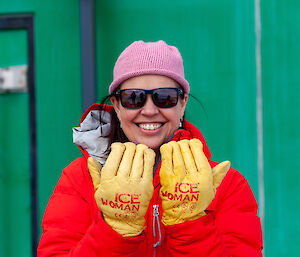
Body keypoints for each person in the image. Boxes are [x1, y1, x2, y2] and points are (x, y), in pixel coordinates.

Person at [37, 40, 263, 257]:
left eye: (164, 97)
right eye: (133, 98)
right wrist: (115, 230)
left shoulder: (225, 185)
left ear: (182, 103)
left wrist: (190, 224)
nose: (149, 110)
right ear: (116, 105)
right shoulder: (80, 179)